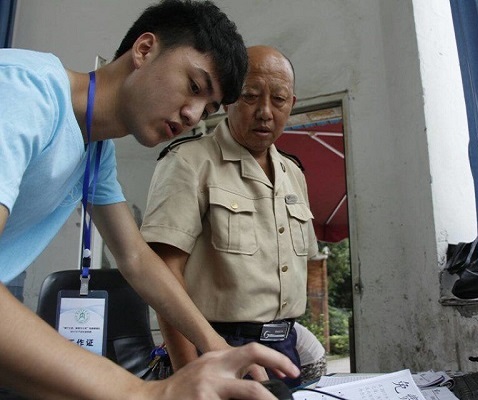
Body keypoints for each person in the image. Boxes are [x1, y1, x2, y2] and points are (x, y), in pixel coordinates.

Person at [0, 1, 299, 399]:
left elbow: (136, 258)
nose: (193, 115)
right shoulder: (25, 91)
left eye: (208, 109)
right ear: (144, 49)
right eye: (194, 87)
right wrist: (146, 393)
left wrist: (217, 348)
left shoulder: (95, 152)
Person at [141, 45, 319, 387]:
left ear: (292, 104)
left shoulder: (293, 173)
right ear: (227, 100)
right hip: (214, 348)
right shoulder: (190, 163)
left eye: (279, 99)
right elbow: (164, 274)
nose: (265, 112)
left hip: (284, 349)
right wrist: (188, 374)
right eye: (250, 96)